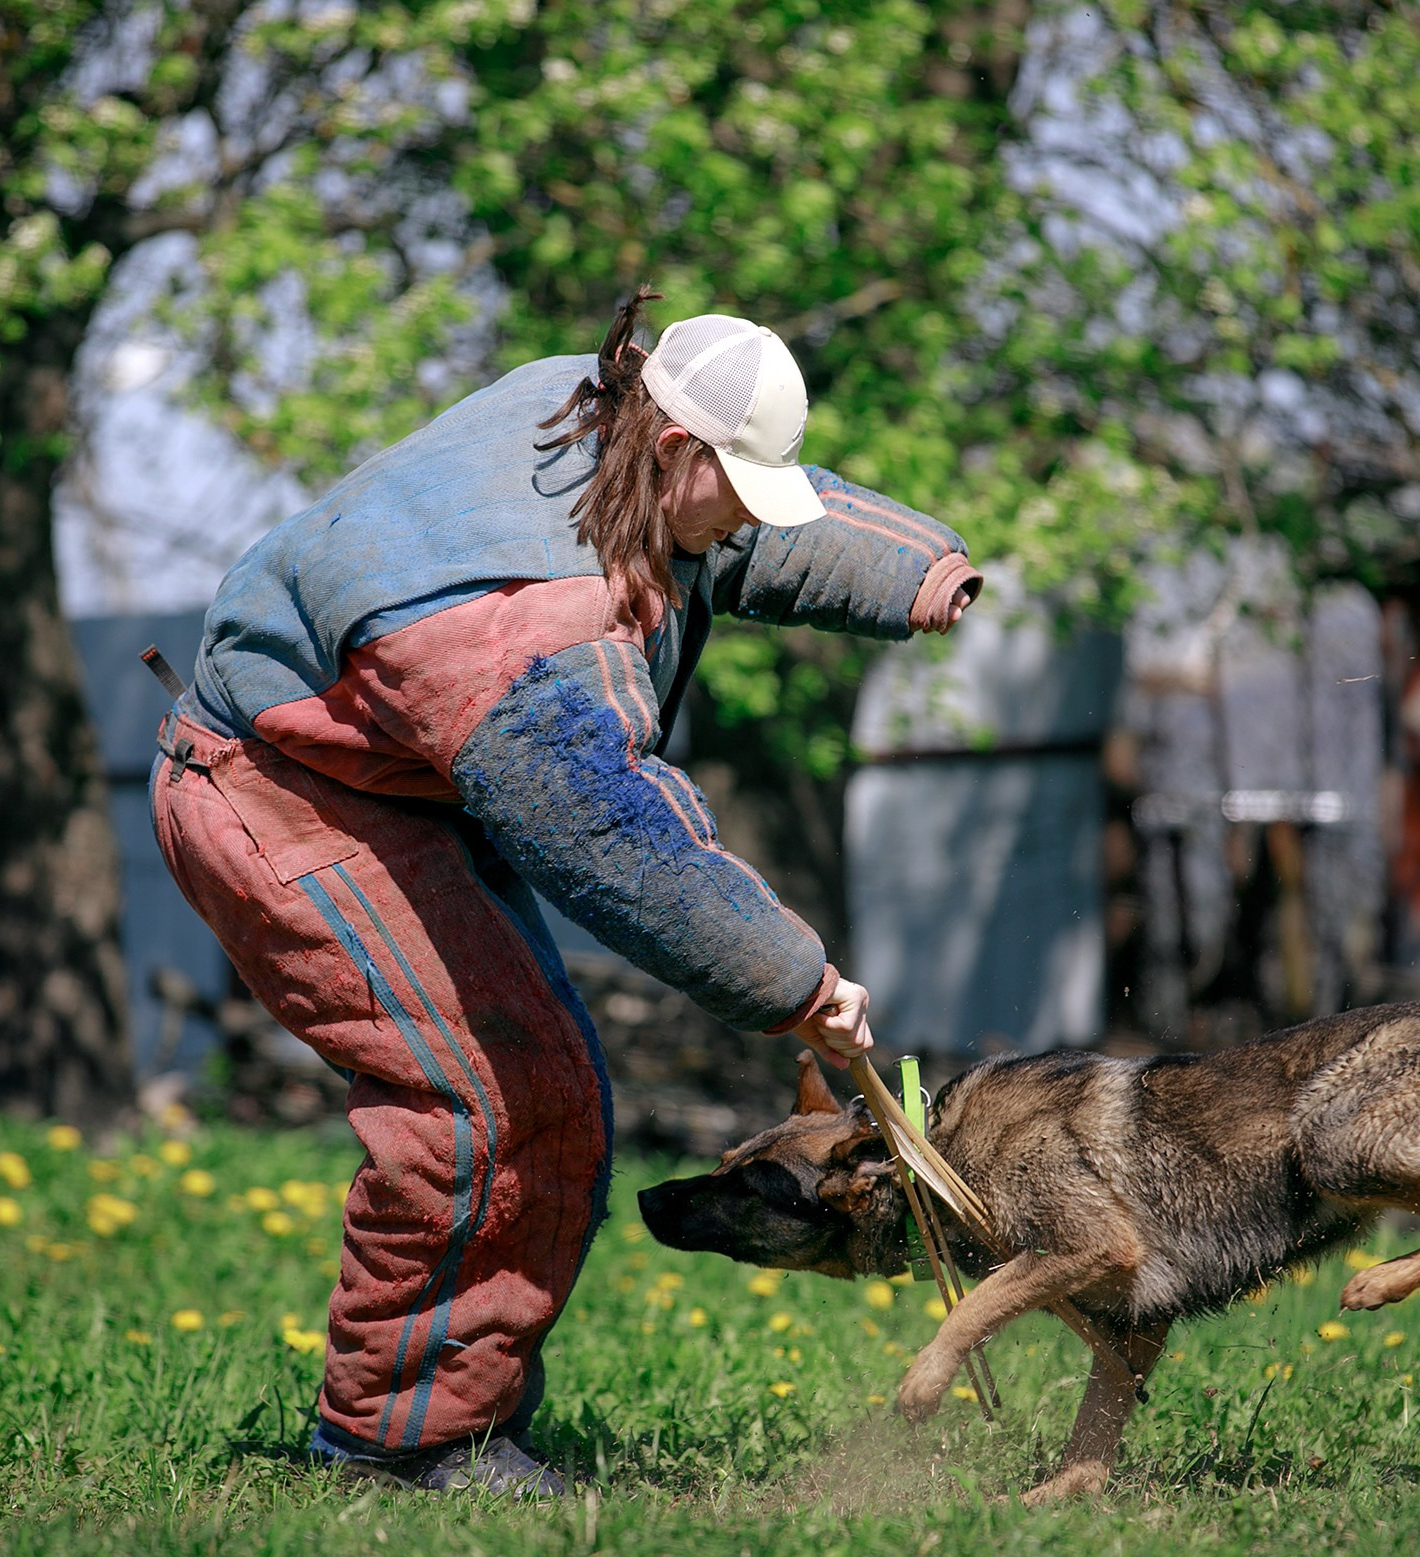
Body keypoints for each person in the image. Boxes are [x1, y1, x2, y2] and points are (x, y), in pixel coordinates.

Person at [151, 289, 980, 1493]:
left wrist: (917, 567)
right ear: (675, 445)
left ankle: (455, 1419)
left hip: (396, 780)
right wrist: (798, 986)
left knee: (539, 1092)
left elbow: (737, 530)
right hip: (281, 796)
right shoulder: (523, 637)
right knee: (488, 1106)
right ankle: (400, 1445)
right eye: (739, 489)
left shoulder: (590, 405)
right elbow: (617, 842)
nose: (744, 523)